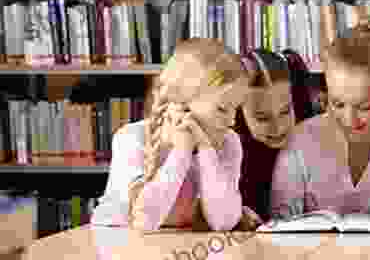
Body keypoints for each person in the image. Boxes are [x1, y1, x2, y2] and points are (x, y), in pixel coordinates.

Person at [90, 38, 251, 232]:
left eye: (236, 109)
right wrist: (182, 151)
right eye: (223, 109)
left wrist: (204, 148)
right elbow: (145, 222)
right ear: (181, 102)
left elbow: (223, 222)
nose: (232, 121)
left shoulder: (229, 142)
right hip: (120, 243)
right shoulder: (131, 139)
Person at [269, 17, 370, 222]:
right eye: (337, 103)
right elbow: (278, 225)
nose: (349, 120)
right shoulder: (301, 140)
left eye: (365, 107)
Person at [234, 48, 316, 226]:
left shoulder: (311, 137)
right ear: (238, 114)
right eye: (262, 118)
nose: (278, 127)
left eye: (285, 111)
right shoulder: (232, 156)